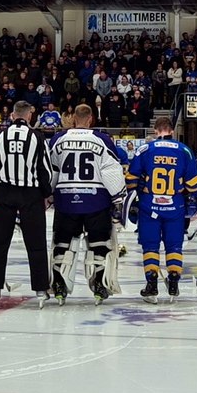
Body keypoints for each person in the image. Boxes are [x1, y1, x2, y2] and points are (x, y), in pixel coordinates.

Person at [48, 104, 127, 303]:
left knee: (63, 243)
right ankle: (99, 285)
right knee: (99, 244)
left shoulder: (59, 139)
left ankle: (58, 284)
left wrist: (48, 194)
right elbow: (111, 170)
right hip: (96, 200)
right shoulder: (102, 139)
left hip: (66, 200)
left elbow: (51, 170)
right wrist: (118, 198)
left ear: (74, 118)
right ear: (91, 119)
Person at [0, 101, 53, 307]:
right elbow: (45, 171)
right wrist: (46, 194)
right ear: (29, 116)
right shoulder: (37, 137)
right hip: (30, 195)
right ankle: (41, 289)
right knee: (36, 243)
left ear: (13, 116)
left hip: (3, 193)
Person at [127, 117, 197, 304]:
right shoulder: (184, 150)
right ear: (172, 131)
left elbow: (130, 179)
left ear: (155, 130)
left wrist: (138, 191)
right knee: (174, 246)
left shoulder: (145, 149)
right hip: (175, 206)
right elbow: (193, 185)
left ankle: (152, 284)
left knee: (150, 246)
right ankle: (174, 282)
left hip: (149, 206)